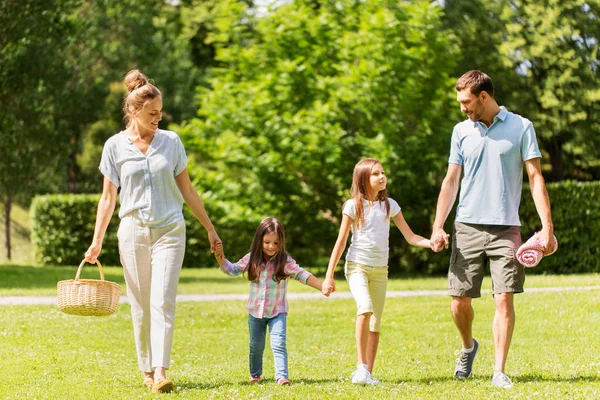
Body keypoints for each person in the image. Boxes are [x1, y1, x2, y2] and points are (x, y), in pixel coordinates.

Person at [84, 69, 222, 394]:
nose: (158, 118)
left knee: (163, 300)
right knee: (141, 304)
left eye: (160, 112)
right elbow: (108, 198)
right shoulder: (114, 147)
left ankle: (160, 372)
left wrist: (210, 229)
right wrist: (96, 241)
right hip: (132, 232)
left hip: (170, 231)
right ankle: (145, 370)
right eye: (152, 113)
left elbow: (187, 190)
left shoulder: (171, 142)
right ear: (133, 111)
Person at [430, 70, 554, 389]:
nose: (462, 108)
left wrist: (547, 228)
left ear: (484, 97)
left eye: (466, 101)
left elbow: (536, 178)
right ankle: (469, 347)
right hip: (467, 224)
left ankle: (499, 370)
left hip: (506, 228)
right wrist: (437, 226)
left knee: (504, 299)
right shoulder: (461, 131)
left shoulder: (521, 127)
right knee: (459, 302)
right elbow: (451, 180)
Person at [321, 158, 432, 385]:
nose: (382, 177)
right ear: (363, 179)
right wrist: (329, 275)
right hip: (357, 267)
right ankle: (360, 369)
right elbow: (341, 242)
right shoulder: (352, 206)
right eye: (375, 174)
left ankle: (368, 374)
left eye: (382, 173)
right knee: (365, 308)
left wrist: (432, 243)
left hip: (381, 271)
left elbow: (410, 237)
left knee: (376, 322)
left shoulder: (390, 205)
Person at [214, 217, 323, 386]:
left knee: (278, 343)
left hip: (277, 312)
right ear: (259, 240)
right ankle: (255, 375)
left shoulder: (284, 261)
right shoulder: (252, 259)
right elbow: (233, 269)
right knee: (256, 346)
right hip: (255, 312)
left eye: (276, 243)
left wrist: (322, 287)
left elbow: (302, 274)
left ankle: (282, 377)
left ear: (281, 243)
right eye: (267, 242)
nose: (271, 247)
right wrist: (219, 257)